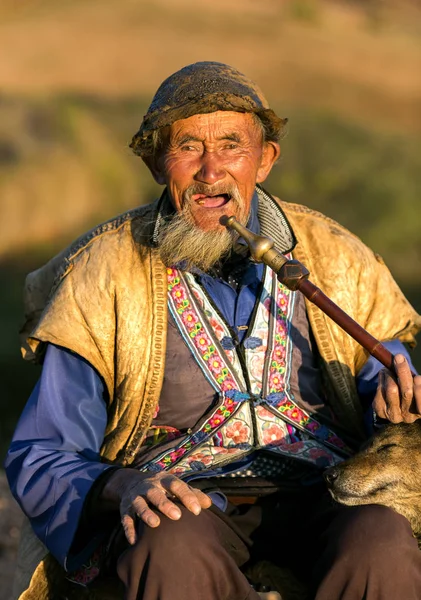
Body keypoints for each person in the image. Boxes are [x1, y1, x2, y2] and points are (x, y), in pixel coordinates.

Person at [5, 61, 421, 600]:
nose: (210, 172)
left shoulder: (338, 256)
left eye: (231, 146)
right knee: (169, 540)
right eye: (187, 148)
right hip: (185, 502)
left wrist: (391, 399)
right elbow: (43, 453)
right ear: (158, 163)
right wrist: (124, 484)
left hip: (325, 492)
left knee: (383, 537)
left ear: (265, 160)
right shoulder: (103, 273)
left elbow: (390, 387)